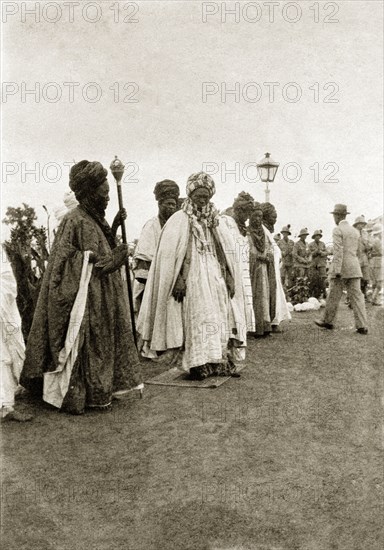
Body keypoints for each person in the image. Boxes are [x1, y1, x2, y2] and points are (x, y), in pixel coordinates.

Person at [20, 160, 142, 414]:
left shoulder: (94, 218)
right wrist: (106, 260)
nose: (108, 199)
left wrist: (116, 226)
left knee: (104, 341)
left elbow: (102, 246)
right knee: (88, 344)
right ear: (88, 193)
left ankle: (101, 389)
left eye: (109, 194)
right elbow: (63, 266)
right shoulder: (74, 221)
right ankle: (83, 395)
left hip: (103, 295)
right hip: (84, 302)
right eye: (103, 194)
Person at [137, 172, 246, 380]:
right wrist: (177, 279)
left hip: (214, 275)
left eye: (206, 196)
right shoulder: (179, 219)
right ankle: (197, 363)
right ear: (191, 194)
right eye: (199, 195)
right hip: (192, 277)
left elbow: (224, 251)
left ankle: (218, 360)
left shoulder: (216, 220)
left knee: (219, 313)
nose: (203, 200)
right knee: (198, 315)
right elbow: (170, 257)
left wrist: (230, 277)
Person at [315, 204, 368, 334]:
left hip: (341, 268)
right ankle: (362, 325)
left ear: (337, 216)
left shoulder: (337, 230)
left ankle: (328, 321)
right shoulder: (355, 231)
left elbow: (339, 251)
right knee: (357, 297)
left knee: (333, 295)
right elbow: (358, 251)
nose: (334, 218)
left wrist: (337, 270)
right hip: (354, 267)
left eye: (334, 215)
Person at [132, 180, 180, 314]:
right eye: (168, 204)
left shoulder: (177, 227)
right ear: (159, 204)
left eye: (174, 205)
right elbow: (143, 264)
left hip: (173, 286)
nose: (171, 208)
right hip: (151, 287)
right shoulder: (151, 226)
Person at [248, 203, 290, 337]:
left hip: (266, 269)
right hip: (255, 269)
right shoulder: (250, 232)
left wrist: (269, 257)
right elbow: (248, 250)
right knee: (256, 297)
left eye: (260, 216)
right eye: (255, 216)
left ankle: (266, 325)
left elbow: (270, 247)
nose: (258, 219)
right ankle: (256, 327)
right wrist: (261, 257)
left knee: (266, 297)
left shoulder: (263, 232)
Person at [1, 255, 32, 422]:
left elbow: (6, 279)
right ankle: (5, 406)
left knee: (6, 356)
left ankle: (6, 405)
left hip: (4, 306)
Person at [221, 191, 255, 332]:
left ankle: (239, 332)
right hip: (230, 269)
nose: (247, 218)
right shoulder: (226, 223)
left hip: (242, 270)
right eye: (246, 213)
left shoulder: (242, 227)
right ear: (238, 210)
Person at [352, 215, 371, 301]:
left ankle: (364, 295)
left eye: (363, 224)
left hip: (364, 257)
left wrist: (368, 246)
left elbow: (369, 245)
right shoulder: (352, 233)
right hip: (355, 257)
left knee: (365, 278)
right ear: (356, 224)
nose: (362, 226)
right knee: (356, 278)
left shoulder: (365, 233)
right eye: (360, 224)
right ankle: (353, 297)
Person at [308, 229, 328, 299]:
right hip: (314, 264)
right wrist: (316, 252)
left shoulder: (322, 244)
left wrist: (322, 253)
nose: (317, 237)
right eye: (316, 236)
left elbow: (326, 252)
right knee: (313, 279)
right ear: (314, 237)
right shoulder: (310, 245)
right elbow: (309, 254)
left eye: (319, 236)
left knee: (323, 278)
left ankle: (325, 292)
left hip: (321, 264)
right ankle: (313, 294)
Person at [369, 223, 383, 306]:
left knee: (374, 282)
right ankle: (374, 299)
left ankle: (373, 298)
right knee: (379, 282)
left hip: (372, 262)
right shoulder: (378, 241)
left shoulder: (372, 240)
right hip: (378, 261)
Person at [278, 225, 294, 292]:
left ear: (288, 234)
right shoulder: (279, 242)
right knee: (282, 276)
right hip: (283, 262)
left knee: (290, 276)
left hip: (290, 262)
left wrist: (291, 253)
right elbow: (277, 251)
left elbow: (294, 250)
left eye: (286, 233)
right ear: (282, 233)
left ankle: (290, 290)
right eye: (284, 233)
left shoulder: (291, 242)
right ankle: (281, 290)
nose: (285, 234)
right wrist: (282, 253)